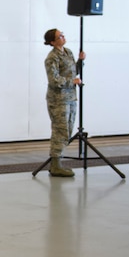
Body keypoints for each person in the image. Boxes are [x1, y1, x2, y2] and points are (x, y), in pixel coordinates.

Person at [43, 28, 85, 178]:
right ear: (53, 42)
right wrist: (71, 81)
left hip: (70, 97)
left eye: (62, 34)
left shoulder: (68, 52)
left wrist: (80, 61)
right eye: (59, 36)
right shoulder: (52, 58)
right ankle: (55, 165)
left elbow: (74, 72)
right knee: (60, 131)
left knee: (67, 130)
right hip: (58, 99)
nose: (63, 36)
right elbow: (53, 80)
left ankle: (57, 162)